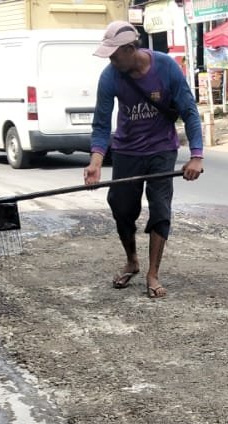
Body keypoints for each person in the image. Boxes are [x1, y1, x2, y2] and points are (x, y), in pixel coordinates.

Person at [85, 22, 205, 299]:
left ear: (130, 49)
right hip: (127, 150)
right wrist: (95, 161)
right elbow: (101, 125)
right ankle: (132, 260)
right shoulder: (110, 77)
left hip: (161, 149)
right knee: (121, 206)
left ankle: (153, 273)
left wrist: (196, 156)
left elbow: (189, 111)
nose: (112, 61)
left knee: (160, 208)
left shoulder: (166, 68)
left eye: (115, 55)